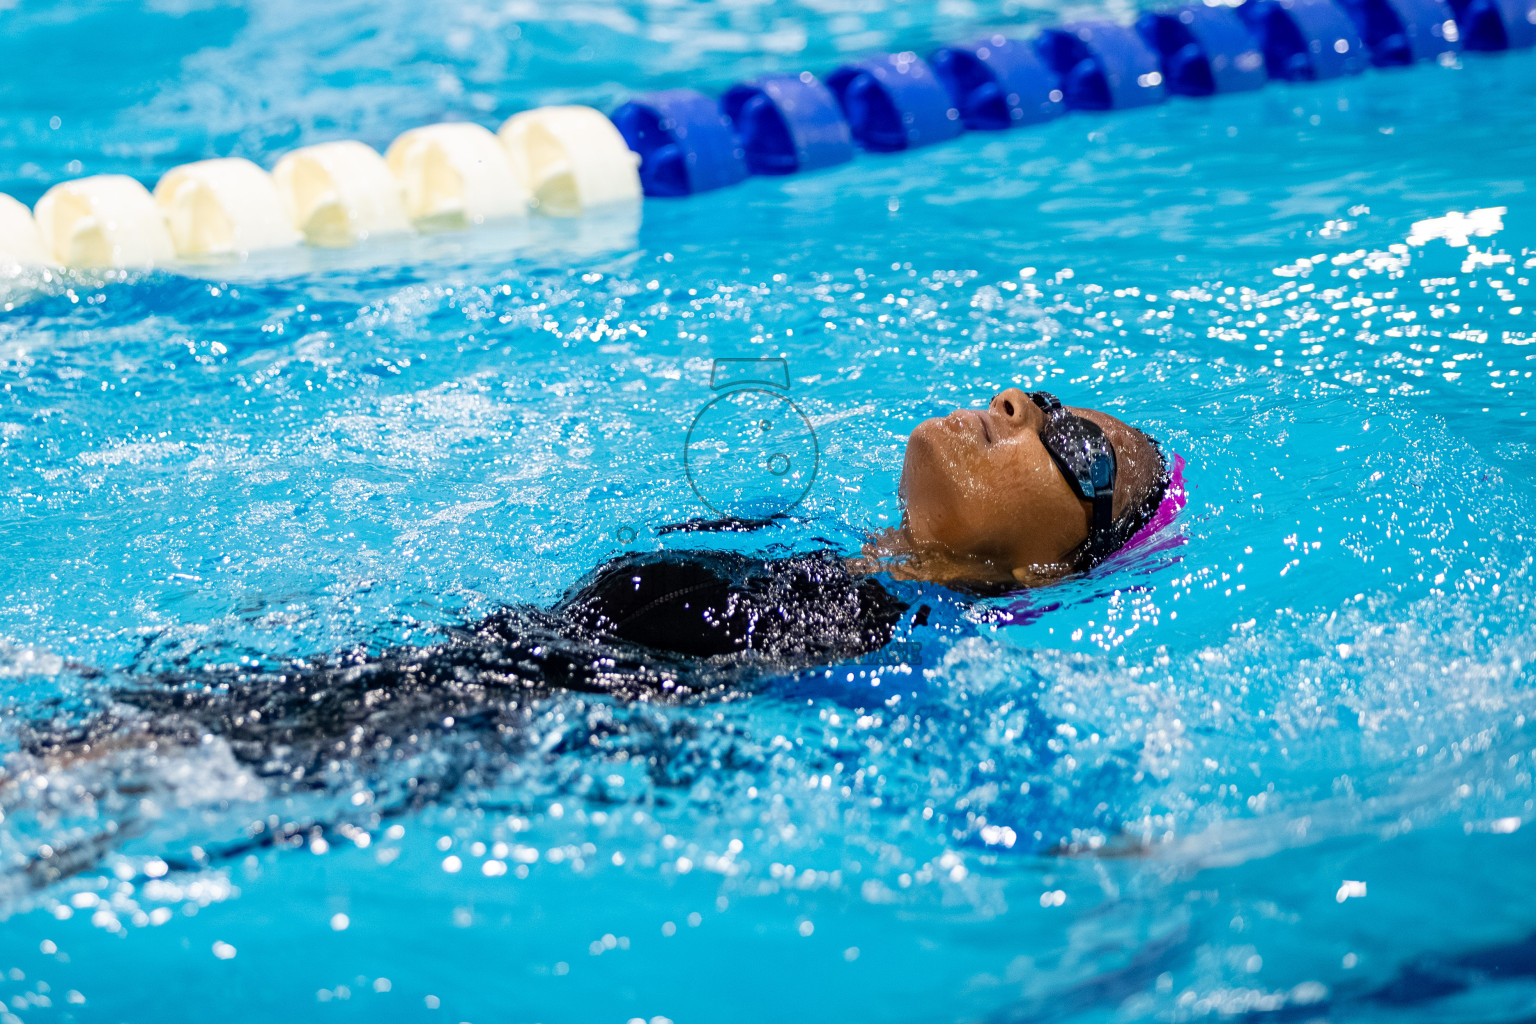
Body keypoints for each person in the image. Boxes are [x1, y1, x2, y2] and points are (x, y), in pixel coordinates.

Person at [18, 388, 1184, 773]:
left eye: (1076, 447)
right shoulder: (790, 536)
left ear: (1044, 564)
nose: (1025, 407)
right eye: (1039, 390)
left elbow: (1011, 773)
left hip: (460, 733)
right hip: (437, 675)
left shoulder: (910, 647)